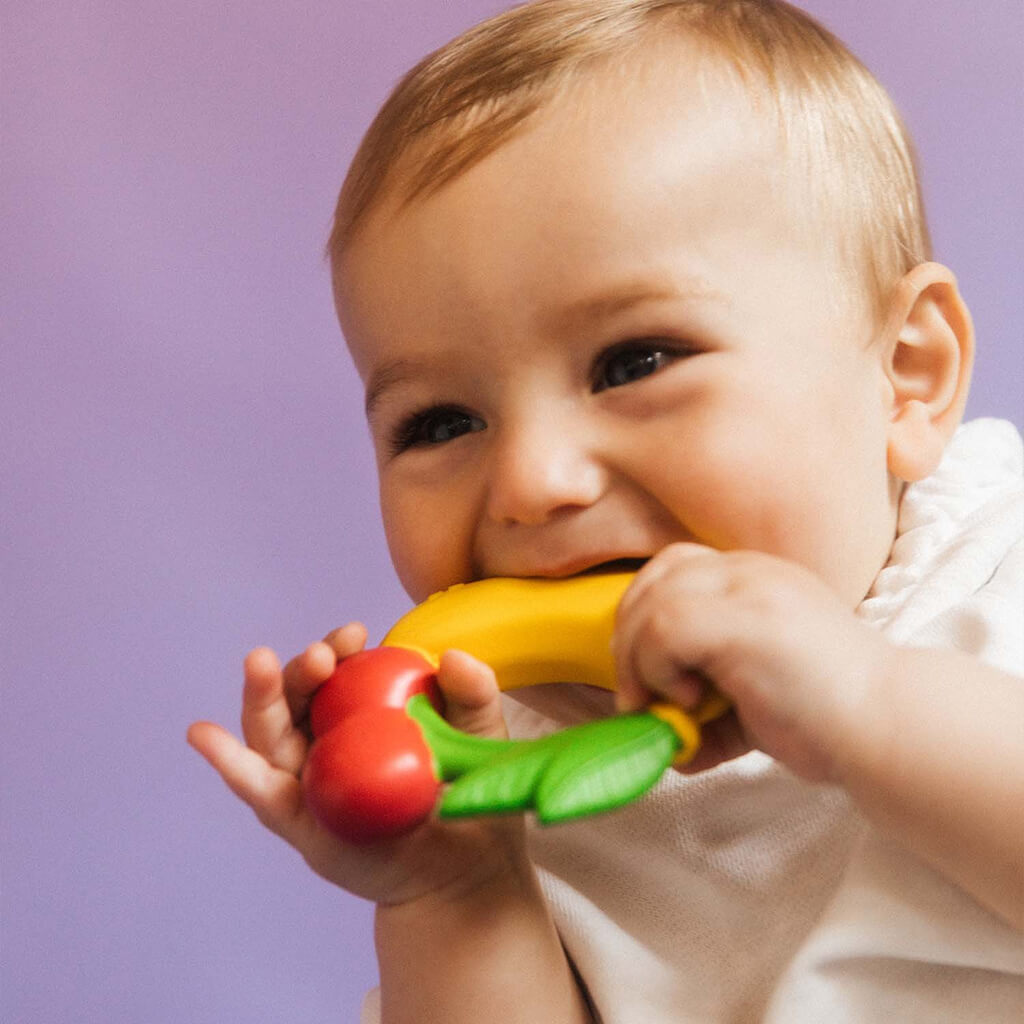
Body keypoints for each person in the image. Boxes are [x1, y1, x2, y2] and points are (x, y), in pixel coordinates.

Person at [187, 1, 1024, 1020]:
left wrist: (866, 700)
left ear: (905, 377)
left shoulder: (995, 574)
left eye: (635, 362)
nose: (532, 480)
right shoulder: (508, 762)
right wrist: (455, 890)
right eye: (439, 422)